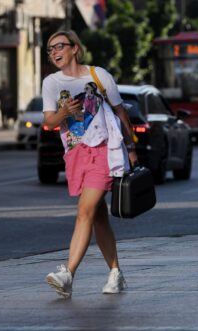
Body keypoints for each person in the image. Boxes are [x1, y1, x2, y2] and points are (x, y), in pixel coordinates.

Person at [41, 29, 139, 299]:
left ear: (75, 48)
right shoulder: (51, 82)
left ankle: (68, 274)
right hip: (74, 154)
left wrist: (131, 148)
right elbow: (49, 122)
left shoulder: (99, 75)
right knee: (98, 216)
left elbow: (120, 111)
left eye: (59, 46)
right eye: (50, 49)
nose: (55, 52)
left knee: (84, 210)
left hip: (102, 151)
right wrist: (64, 112)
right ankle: (116, 273)